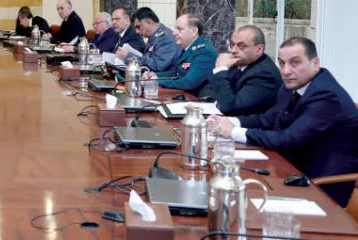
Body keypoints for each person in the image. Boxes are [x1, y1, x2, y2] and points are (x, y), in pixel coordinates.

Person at [208, 37, 358, 207]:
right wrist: (229, 121)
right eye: (282, 63)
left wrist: (233, 132)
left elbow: (288, 139)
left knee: (242, 201)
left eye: (295, 63)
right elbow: (267, 119)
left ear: (315, 63)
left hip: (323, 186)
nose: (286, 71)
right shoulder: (292, 86)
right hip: (291, 171)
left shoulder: (326, 96)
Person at [199, 25, 281, 116]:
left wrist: (220, 70)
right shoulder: (239, 63)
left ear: (259, 50)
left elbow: (231, 108)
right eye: (232, 44)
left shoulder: (265, 74)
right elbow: (208, 89)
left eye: (241, 46)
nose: (233, 50)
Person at [148, 13, 216, 94]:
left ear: (193, 31)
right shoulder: (189, 48)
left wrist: (156, 81)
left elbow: (188, 83)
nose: (174, 33)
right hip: (186, 96)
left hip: (199, 99)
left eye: (179, 29)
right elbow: (177, 72)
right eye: (175, 29)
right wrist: (154, 75)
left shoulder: (205, 52)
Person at [116, 7, 180, 72]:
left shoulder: (166, 38)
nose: (137, 31)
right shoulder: (155, 37)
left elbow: (157, 67)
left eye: (138, 27)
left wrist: (128, 56)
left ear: (148, 22)